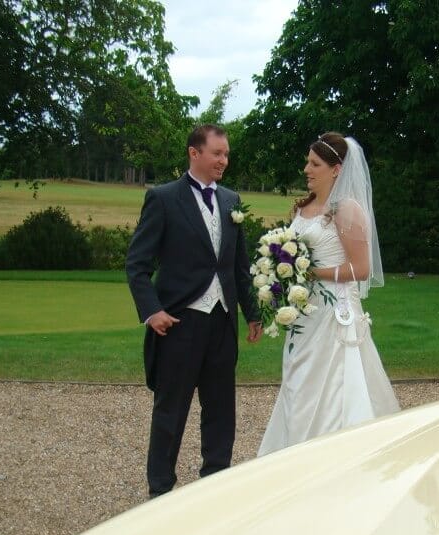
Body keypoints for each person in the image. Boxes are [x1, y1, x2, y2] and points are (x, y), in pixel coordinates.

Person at [127, 124, 262, 497]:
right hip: (179, 323)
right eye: (217, 153)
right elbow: (137, 264)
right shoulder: (164, 198)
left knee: (221, 411)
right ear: (194, 153)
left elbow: (238, 265)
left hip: (221, 322)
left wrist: (252, 313)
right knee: (171, 412)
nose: (224, 160)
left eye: (226, 154)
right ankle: (160, 492)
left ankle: (214, 487)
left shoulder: (232, 201)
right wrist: (152, 310)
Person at [258, 132, 399, 456]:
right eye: (308, 162)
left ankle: (333, 455)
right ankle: (293, 451)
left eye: (315, 163)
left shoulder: (346, 211)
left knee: (335, 388)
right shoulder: (304, 208)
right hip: (305, 315)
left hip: (334, 316)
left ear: (336, 169)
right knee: (297, 383)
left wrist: (309, 272)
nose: (307, 169)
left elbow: (361, 269)